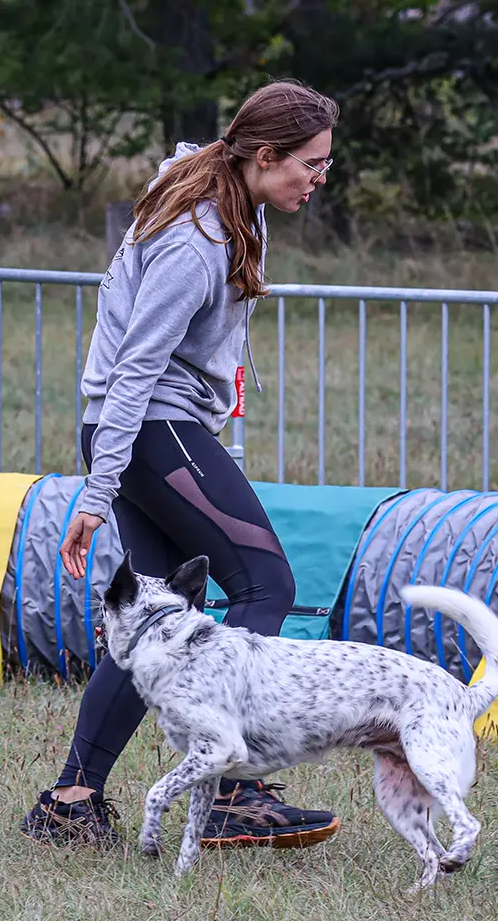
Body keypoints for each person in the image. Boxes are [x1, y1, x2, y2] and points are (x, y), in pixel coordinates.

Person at [19, 80, 343, 850]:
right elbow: (134, 369)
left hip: (149, 431)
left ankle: (70, 801)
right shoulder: (195, 243)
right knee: (267, 584)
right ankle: (231, 792)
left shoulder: (231, 187)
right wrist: (96, 494)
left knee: (154, 624)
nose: (320, 178)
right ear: (264, 156)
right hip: (146, 429)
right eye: (311, 164)